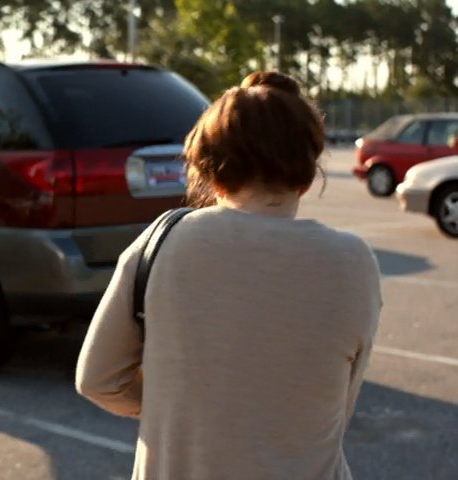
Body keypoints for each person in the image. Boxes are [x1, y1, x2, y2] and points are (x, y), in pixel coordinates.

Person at [75, 71, 382, 480]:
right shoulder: (353, 261)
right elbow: (337, 403)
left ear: (210, 171)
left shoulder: (164, 241)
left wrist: (185, 412)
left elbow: (97, 379)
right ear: (306, 175)